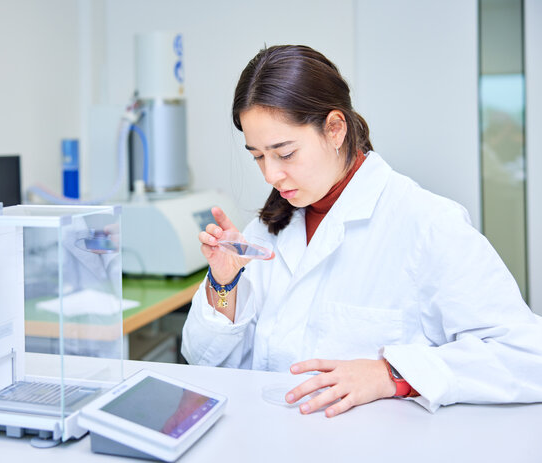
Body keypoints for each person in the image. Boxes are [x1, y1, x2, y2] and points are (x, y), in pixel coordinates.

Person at [181, 45, 542, 417]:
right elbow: (204, 359)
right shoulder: (266, 230)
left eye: (285, 153)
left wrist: (392, 374)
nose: (270, 175)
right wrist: (224, 285)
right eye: (257, 155)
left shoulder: (427, 224)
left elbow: (525, 355)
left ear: (335, 129)